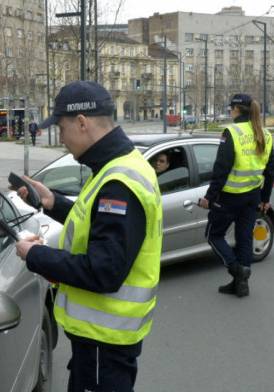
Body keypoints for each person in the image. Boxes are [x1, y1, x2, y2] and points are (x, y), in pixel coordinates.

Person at [12, 80, 162, 392]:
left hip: (104, 344)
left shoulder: (119, 182)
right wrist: (54, 203)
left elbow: (103, 271)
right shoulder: (116, 166)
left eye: (62, 129)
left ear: (82, 123)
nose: (61, 139)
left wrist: (35, 256)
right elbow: (96, 224)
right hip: (99, 344)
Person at [200, 93, 274, 298]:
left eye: (230, 109)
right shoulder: (265, 134)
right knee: (244, 240)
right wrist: (265, 199)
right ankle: (241, 285)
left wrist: (210, 197)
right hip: (252, 197)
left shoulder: (231, 132)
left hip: (229, 198)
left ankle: (236, 270)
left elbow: (221, 169)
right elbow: (270, 170)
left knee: (213, 235)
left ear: (235, 110)